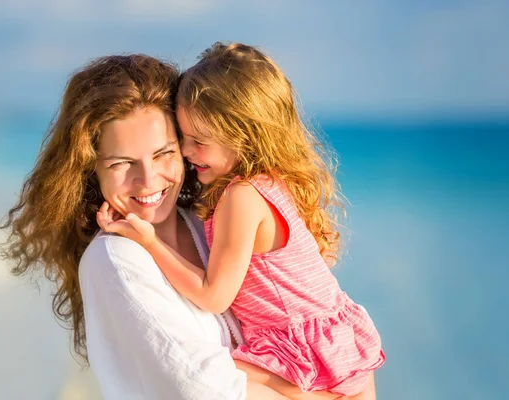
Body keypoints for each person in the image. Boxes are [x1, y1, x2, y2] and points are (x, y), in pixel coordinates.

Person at [0, 54, 297, 399]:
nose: (148, 180)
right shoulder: (115, 260)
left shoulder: (207, 223)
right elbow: (203, 389)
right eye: (123, 163)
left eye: (163, 153)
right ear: (90, 168)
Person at [97, 42, 386, 399]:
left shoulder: (241, 197)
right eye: (183, 139)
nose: (187, 153)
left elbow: (213, 295)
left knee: (210, 374)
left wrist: (149, 241)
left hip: (302, 355)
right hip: (334, 347)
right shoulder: (274, 181)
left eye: (198, 142)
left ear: (244, 136)